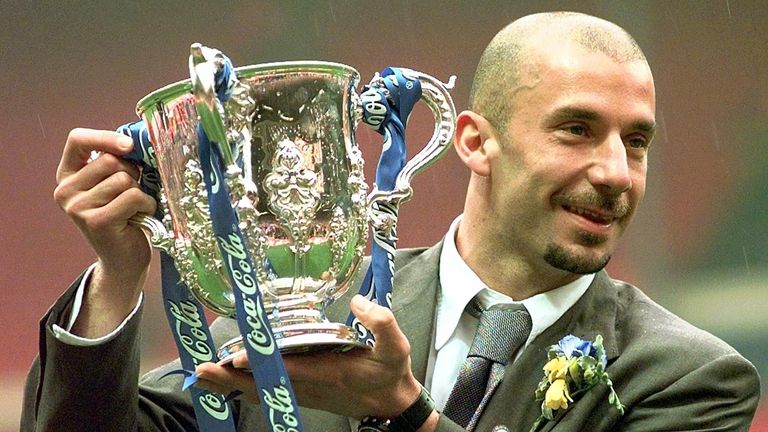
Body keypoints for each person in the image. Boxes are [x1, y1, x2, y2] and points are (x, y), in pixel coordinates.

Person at [22, 11, 760, 432]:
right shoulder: (305, 315)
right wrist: (119, 275)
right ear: (473, 140)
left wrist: (406, 416)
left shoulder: (689, 377)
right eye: (576, 130)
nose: (614, 172)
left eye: (636, 141)